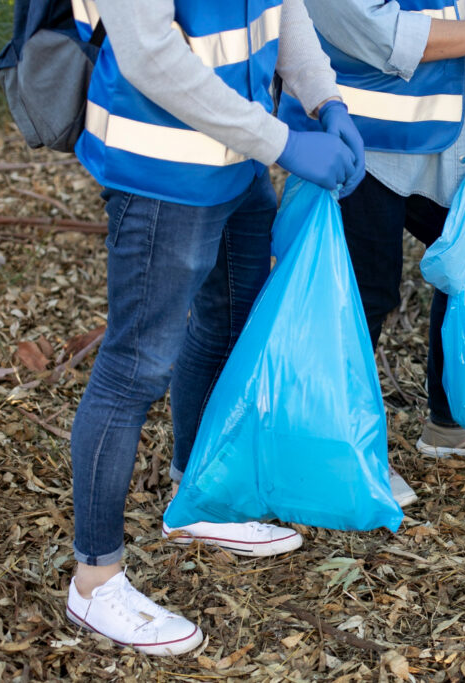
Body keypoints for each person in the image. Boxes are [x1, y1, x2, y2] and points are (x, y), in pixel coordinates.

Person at [66, 0, 364, 655]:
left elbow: (284, 12)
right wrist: (284, 141)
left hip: (239, 160)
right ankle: (95, 579)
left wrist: (326, 102)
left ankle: (197, 492)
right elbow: (149, 54)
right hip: (163, 175)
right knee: (134, 367)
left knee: (229, 315)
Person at [298, 0, 465, 493]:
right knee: (366, 295)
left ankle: (448, 424)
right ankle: (348, 453)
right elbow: (374, 28)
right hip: (363, 144)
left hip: (441, 136)